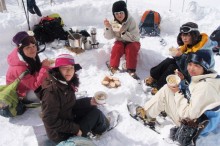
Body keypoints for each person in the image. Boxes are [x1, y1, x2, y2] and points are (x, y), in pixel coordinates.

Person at [138, 49, 220, 145]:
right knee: (172, 91)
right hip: (205, 120)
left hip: (195, 127)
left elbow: (188, 116)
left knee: (167, 90)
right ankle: (160, 107)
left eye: (197, 65)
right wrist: (183, 81)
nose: (191, 69)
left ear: (205, 67)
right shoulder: (209, 78)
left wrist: (177, 93)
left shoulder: (205, 87)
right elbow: (194, 94)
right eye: (190, 64)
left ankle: (146, 115)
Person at [36, 54, 116, 143]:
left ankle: (97, 126)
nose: (69, 71)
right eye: (64, 68)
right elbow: (50, 120)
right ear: (57, 69)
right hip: (61, 134)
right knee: (96, 114)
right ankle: (102, 128)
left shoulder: (63, 83)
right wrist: (75, 129)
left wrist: (90, 102)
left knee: (92, 107)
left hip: (67, 117)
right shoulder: (51, 93)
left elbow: (69, 104)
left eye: (71, 68)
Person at [145, 22, 215, 95]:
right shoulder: (192, 43)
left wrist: (180, 56)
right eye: (182, 35)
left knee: (173, 67)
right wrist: (178, 53)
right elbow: (186, 57)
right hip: (189, 68)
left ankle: (160, 88)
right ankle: (153, 77)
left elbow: (191, 69)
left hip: (197, 77)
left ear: (194, 35)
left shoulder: (202, 51)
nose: (184, 38)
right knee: (169, 61)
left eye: (187, 35)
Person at [6, 31, 50, 102]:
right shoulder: (19, 68)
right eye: (27, 47)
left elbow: (35, 71)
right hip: (21, 93)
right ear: (21, 50)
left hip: (27, 85)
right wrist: (44, 67)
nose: (32, 49)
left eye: (33, 46)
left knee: (52, 79)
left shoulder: (27, 56)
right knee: (50, 89)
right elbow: (35, 85)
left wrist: (46, 67)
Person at [103, 0, 140, 79]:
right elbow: (108, 37)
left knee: (130, 48)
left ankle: (131, 70)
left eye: (121, 12)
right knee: (117, 47)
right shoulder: (113, 22)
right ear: (114, 14)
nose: (119, 15)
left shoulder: (131, 21)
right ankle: (113, 67)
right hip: (120, 41)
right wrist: (108, 27)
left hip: (133, 42)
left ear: (125, 12)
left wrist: (122, 32)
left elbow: (135, 38)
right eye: (116, 13)